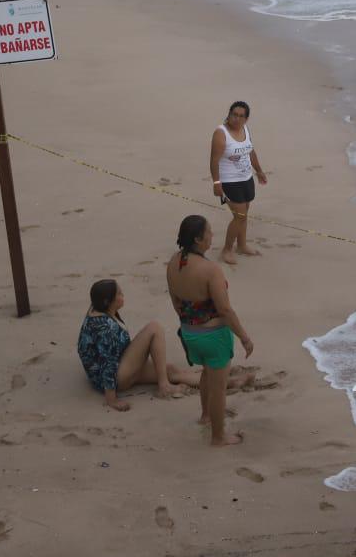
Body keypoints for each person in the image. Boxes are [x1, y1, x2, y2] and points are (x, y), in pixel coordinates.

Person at [166, 215, 255, 445]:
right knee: (218, 388)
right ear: (197, 238)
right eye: (209, 233)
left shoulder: (174, 262)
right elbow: (225, 310)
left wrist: (191, 324)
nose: (212, 236)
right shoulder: (210, 270)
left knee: (207, 373)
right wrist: (244, 337)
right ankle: (218, 436)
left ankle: (206, 416)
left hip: (189, 333)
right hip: (213, 337)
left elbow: (176, 302)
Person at [77, 279, 200, 410]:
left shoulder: (99, 307)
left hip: (122, 360)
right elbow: (108, 364)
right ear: (107, 302)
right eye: (119, 294)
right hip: (117, 376)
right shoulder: (104, 328)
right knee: (154, 328)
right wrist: (112, 400)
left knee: (171, 370)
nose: (122, 295)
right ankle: (164, 386)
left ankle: (216, 379)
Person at [209, 101, 267, 264]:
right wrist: (216, 183)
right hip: (229, 181)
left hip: (246, 178)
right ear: (229, 114)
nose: (236, 118)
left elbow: (250, 151)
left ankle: (241, 245)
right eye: (234, 114)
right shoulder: (221, 133)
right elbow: (214, 161)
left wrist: (259, 171)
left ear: (246, 119)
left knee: (244, 214)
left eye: (241, 116)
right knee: (239, 216)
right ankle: (226, 250)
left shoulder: (245, 129)